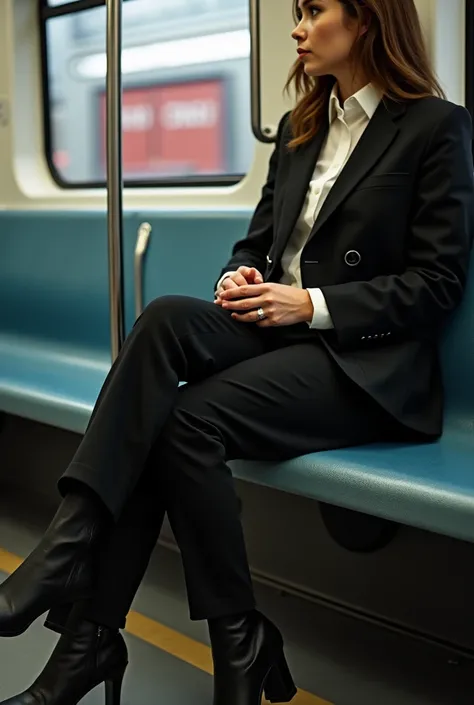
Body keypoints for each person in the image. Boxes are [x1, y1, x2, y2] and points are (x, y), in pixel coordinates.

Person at [1, 0, 473, 703]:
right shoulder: (298, 129)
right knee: (162, 318)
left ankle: (102, 625)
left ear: (368, 19)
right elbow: (259, 243)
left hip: (365, 365)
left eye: (315, 12)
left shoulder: (434, 127)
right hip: (276, 334)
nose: (297, 29)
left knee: (180, 421)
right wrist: (239, 274)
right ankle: (88, 569)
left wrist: (308, 304)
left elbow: (435, 284)